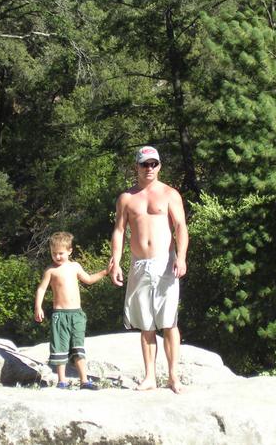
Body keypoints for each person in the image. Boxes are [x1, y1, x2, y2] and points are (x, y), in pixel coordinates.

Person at [110, 145, 189, 394]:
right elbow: (119, 230)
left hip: (165, 263)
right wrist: (115, 261)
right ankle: (150, 377)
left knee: (169, 322)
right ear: (137, 166)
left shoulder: (169, 194)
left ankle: (173, 376)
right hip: (139, 263)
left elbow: (181, 227)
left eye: (154, 164)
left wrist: (181, 258)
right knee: (146, 324)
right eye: (145, 164)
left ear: (159, 166)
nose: (149, 168)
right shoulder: (126, 198)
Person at [34, 231, 109, 389]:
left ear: (69, 251)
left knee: (78, 347)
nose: (57, 257)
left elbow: (88, 279)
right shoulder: (50, 271)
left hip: (77, 314)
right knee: (60, 347)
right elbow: (41, 289)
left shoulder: (75, 267)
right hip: (60, 315)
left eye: (60, 253)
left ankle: (84, 381)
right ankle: (62, 381)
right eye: (54, 253)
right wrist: (38, 307)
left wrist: (105, 272)